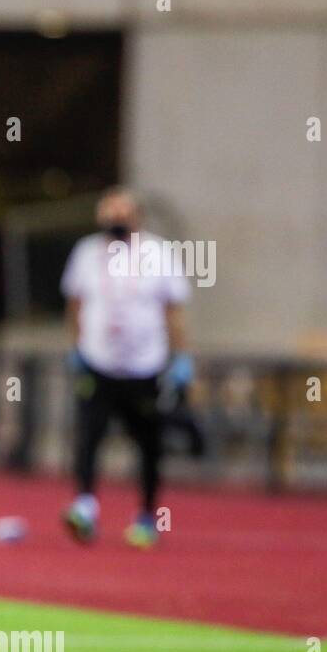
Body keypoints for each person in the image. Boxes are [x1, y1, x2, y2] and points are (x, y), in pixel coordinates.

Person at [60, 186, 192, 549]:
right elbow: (74, 302)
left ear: (137, 217)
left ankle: (148, 516)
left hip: (144, 366)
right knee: (88, 437)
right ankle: (85, 506)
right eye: (108, 215)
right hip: (97, 362)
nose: (114, 222)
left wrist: (180, 357)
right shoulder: (87, 252)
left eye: (121, 215)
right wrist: (77, 347)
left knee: (149, 443)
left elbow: (174, 310)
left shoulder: (159, 253)